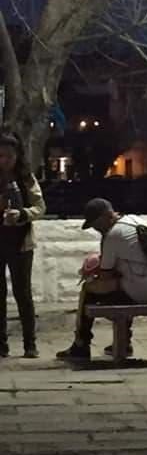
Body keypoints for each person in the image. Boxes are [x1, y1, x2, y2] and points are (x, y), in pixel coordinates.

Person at [56, 198, 147, 360]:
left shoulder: (113, 235)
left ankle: (81, 345)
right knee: (122, 287)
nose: (97, 230)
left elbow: (106, 276)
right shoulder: (134, 220)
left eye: (96, 225)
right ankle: (124, 343)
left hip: (146, 292)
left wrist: (92, 275)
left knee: (89, 289)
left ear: (107, 216)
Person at [0, 128, 46, 358]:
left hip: (21, 243)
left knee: (23, 293)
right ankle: (1, 344)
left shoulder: (26, 178)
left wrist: (22, 214)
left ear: (17, 156)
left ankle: (30, 344)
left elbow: (40, 207)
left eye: (9, 156)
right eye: (0, 156)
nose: (4, 161)